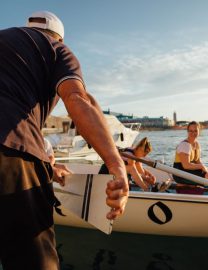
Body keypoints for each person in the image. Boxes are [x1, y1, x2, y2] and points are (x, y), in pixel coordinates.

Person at [0, 11, 128, 270]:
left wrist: (48, 168)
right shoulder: (56, 49)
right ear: (59, 37)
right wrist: (117, 165)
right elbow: (77, 100)